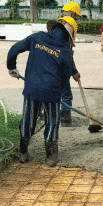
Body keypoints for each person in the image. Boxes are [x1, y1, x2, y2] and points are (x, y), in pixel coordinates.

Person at [7, 16, 79, 167]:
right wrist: (58, 89)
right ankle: (51, 155)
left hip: (32, 87)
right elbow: (65, 76)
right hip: (51, 91)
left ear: (52, 28)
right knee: (52, 121)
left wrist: (11, 67)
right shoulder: (65, 49)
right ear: (68, 36)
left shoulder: (37, 37)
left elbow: (13, 49)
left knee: (28, 119)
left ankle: (23, 150)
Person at [58, 1, 82, 125]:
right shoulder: (69, 25)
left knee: (51, 91)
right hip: (61, 66)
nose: (77, 19)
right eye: (77, 16)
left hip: (50, 64)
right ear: (73, 14)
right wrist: (74, 71)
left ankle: (44, 115)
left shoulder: (58, 24)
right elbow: (66, 54)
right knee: (66, 95)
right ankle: (65, 120)